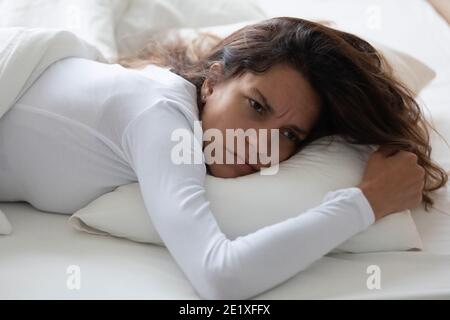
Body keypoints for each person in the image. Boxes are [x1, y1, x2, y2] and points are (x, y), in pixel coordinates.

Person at [0, 17, 446, 299]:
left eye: (288, 134)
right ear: (212, 83)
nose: (261, 144)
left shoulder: (170, 107)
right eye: (256, 106)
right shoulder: (161, 117)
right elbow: (220, 276)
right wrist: (366, 202)